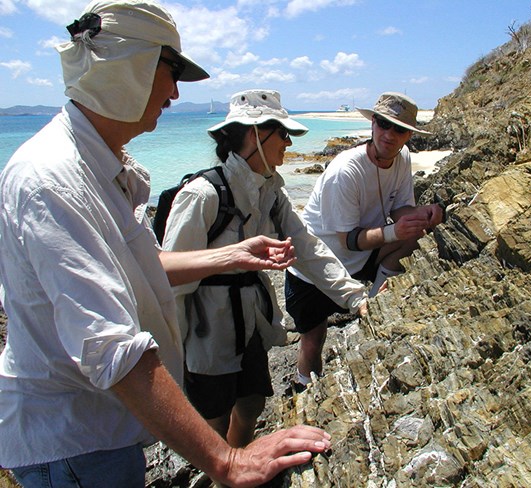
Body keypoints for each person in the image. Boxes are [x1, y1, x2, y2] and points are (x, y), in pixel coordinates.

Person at [0, 2, 330, 487]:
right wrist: (227, 461)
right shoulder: (54, 180)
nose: (175, 94)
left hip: (103, 431)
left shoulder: (98, 167)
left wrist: (230, 256)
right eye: (170, 70)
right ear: (127, 64)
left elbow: (138, 265)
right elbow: (109, 347)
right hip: (74, 443)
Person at [162, 89, 368, 445]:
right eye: (284, 134)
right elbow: (168, 278)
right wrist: (173, 355)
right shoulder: (202, 195)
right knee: (213, 420)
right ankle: (224, 471)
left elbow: (307, 247)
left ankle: (236, 462)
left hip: (251, 318)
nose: (288, 143)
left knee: (253, 403)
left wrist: (355, 297)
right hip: (205, 331)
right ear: (255, 134)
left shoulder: (272, 192)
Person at [285, 92, 444, 387]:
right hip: (317, 266)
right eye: (383, 124)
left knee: (415, 236)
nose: (389, 134)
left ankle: (370, 311)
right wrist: (396, 230)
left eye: (399, 129)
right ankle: (303, 385)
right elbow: (348, 241)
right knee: (313, 337)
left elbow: (400, 208)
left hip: (361, 252)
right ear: (373, 123)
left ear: (409, 134)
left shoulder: (402, 158)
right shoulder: (347, 171)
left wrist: (421, 215)